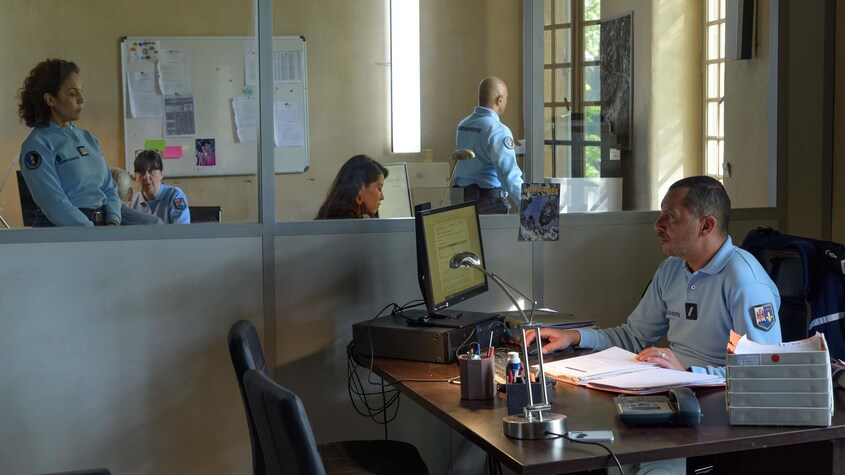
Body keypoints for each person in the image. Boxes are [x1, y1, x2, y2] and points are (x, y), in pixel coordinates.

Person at [524, 176, 782, 377]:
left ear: (706, 225)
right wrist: (576, 337)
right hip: (676, 388)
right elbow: (635, 337)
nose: (657, 225)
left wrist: (688, 374)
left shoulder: (745, 281)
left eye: (670, 217)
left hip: (718, 403)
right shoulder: (671, 269)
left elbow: (762, 373)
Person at [17, 58, 121, 227]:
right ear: (50, 100)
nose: (81, 99)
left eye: (82, 91)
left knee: (155, 223)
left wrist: (113, 220)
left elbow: (109, 188)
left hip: (105, 226)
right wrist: (93, 234)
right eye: (73, 94)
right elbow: (54, 203)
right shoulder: (37, 145)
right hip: (70, 231)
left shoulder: (88, 138)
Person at [453, 76, 524, 214]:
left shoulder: (463, 125)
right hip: (486, 204)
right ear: (500, 100)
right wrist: (530, 205)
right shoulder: (498, 130)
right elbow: (509, 176)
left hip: (459, 201)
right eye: (506, 98)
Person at [315, 155, 387, 219]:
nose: (382, 197)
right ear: (361, 188)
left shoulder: (336, 219)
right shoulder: (348, 227)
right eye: (379, 189)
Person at [130, 150, 191, 224]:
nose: (146, 177)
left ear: (161, 174)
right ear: (136, 176)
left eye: (152, 171)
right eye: (142, 172)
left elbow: (182, 231)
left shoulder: (175, 195)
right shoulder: (132, 202)